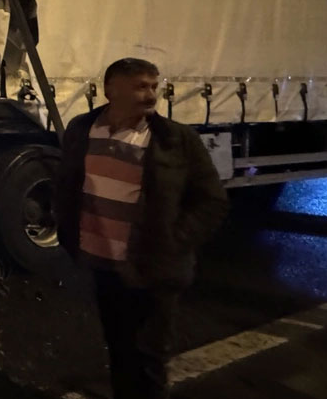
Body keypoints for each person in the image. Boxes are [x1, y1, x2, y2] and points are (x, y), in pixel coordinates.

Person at [55, 58, 229, 399]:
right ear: (110, 90)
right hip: (103, 264)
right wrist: (68, 235)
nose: (151, 94)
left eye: (154, 85)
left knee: (149, 361)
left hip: (153, 270)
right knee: (119, 352)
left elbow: (212, 201)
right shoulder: (82, 129)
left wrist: (171, 244)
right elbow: (67, 187)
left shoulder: (175, 139)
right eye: (140, 86)